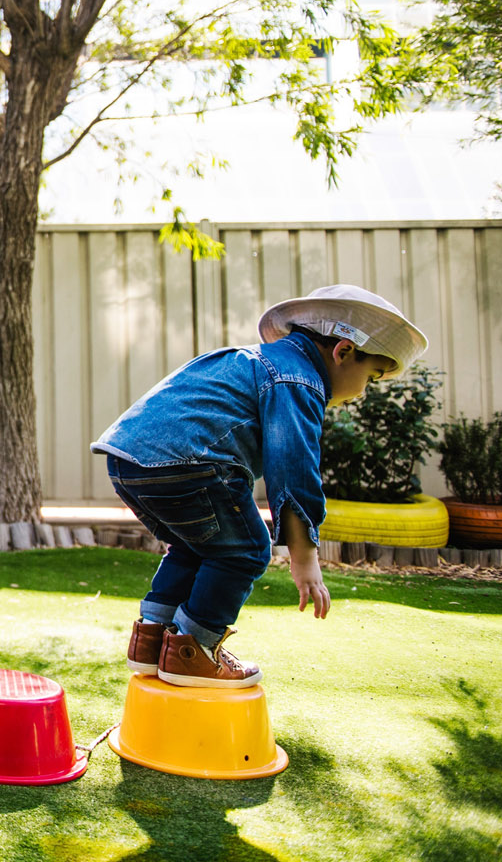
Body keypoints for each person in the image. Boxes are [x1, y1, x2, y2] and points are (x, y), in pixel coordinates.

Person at [91, 284, 427, 688]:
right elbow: (294, 465)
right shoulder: (299, 379)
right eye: (370, 377)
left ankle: (151, 642)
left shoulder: (256, 359)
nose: (362, 391)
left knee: (197, 546)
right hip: (189, 462)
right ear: (343, 352)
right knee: (246, 551)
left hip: (128, 459)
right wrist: (305, 558)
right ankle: (191, 650)